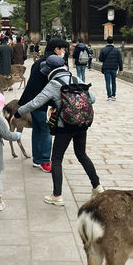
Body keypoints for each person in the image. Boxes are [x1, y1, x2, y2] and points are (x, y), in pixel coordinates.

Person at [14, 55, 102, 206]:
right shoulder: (76, 79)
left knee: (56, 159)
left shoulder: (54, 84)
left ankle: (57, 196)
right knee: (81, 154)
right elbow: (92, 98)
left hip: (64, 126)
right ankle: (97, 187)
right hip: (82, 124)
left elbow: (35, 102)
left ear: (50, 70)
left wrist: (18, 112)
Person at [17, 37, 67, 172]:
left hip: (32, 101)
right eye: (62, 49)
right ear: (56, 50)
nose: (64, 52)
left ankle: (37, 159)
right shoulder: (53, 64)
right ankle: (45, 160)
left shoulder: (39, 61)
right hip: (42, 102)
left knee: (38, 130)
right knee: (45, 131)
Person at [98, 36, 123, 100]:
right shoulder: (117, 50)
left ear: (107, 41)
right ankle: (113, 95)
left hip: (106, 67)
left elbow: (100, 59)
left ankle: (109, 96)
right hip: (114, 67)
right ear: (113, 42)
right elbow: (120, 60)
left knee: (107, 82)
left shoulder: (103, 49)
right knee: (114, 81)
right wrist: (121, 69)